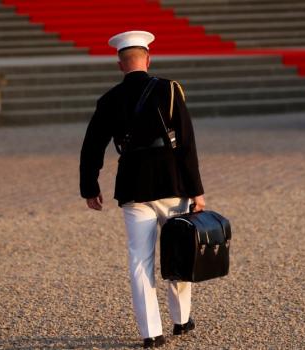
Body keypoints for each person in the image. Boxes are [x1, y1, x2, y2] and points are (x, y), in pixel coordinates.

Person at [79, 30, 205, 348]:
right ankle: (181, 320)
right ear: (147, 59)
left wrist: (89, 186)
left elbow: (92, 146)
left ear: (120, 64)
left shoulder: (109, 100)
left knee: (139, 260)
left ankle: (151, 333)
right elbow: (187, 145)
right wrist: (197, 190)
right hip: (172, 182)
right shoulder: (170, 90)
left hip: (133, 185)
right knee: (179, 250)